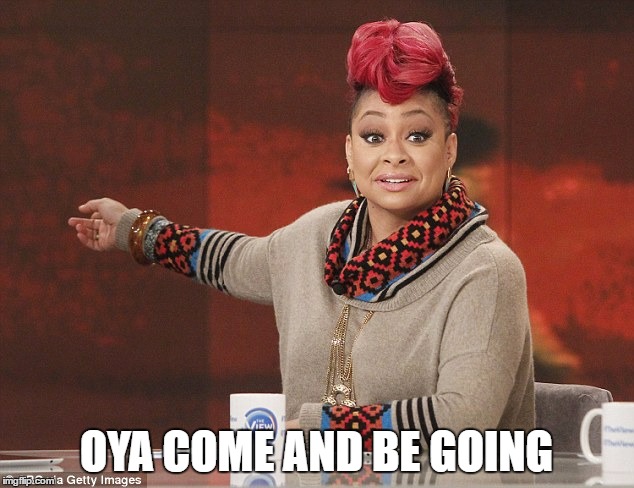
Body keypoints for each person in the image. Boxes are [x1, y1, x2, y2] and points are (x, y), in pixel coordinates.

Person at [68, 19, 534, 451]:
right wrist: (134, 230)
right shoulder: (319, 235)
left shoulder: (486, 271)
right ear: (350, 152)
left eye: (417, 135)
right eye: (374, 136)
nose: (394, 155)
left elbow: (465, 420)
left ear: (449, 150)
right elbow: (232, 260)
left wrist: (322, 426)